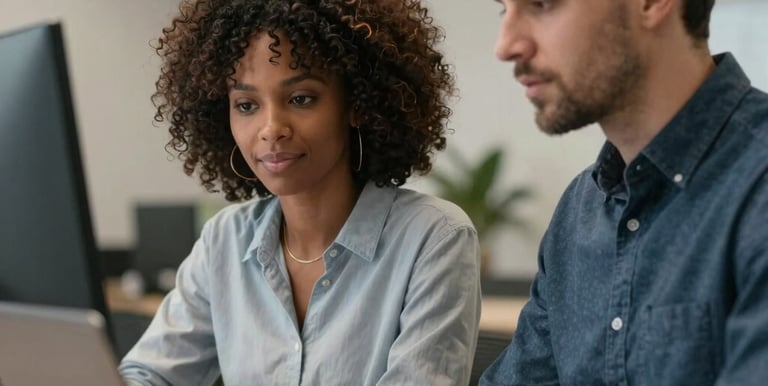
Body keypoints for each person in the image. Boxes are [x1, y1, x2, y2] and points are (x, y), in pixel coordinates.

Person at [118, 0, 481, 384]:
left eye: (301, 98)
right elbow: (147, 373)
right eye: (246, 104)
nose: (271, 128)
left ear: (356, 104)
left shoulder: (434, 238)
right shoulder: (224, 240)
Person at [481, 0, 768, 385]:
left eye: (541, 4)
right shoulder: (578, 211)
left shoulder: (757, 184)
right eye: (504, 10)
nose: (505, 46)